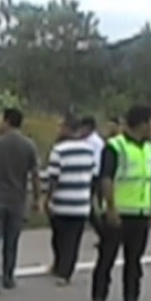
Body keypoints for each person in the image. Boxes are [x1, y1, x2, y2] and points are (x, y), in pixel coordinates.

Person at [91, 106, 151, 301]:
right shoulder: (114, 147)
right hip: (118, 212)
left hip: (140, 212)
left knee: (135, 259)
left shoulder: (149, 150)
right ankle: (99, 296)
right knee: (107, 257)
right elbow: (106, 179)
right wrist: (111, 208)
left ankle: (131, 297)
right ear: (142, 124)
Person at [0, 108, 41, 294]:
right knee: (11, 240)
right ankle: (8, 276)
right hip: (17, 198)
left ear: (7, 121)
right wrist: (37, 198)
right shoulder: (28, 145)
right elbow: (35, 174)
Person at [45, 116, 96, 286]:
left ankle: (62, 269)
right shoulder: (89, 150)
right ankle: (64, 269)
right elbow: (92, 172)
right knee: (72, 239)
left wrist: (48, 198)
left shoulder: (59, 150)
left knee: (59, 237)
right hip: (81, 202)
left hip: (62, 202)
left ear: (67, 129)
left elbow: (53, 177)